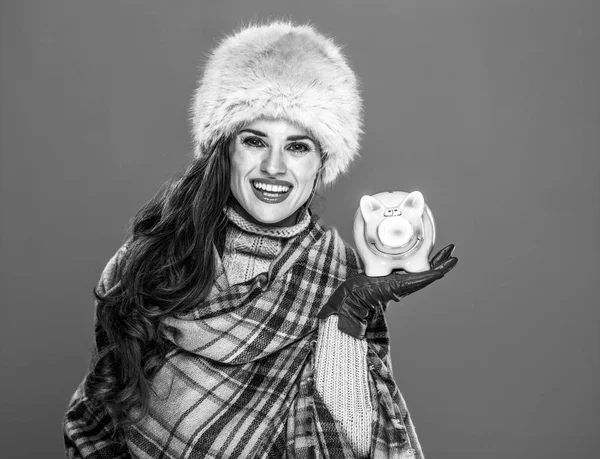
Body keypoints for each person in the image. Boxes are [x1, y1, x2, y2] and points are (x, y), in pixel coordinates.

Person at [63, 21, 457, 459]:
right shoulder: (152, 259)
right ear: (225, 148)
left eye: (297, 146)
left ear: (322, 161)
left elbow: (353, 447)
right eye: (255, 140)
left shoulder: (340, 276)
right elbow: (94, 424)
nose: (274, 167)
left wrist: (344, 316)